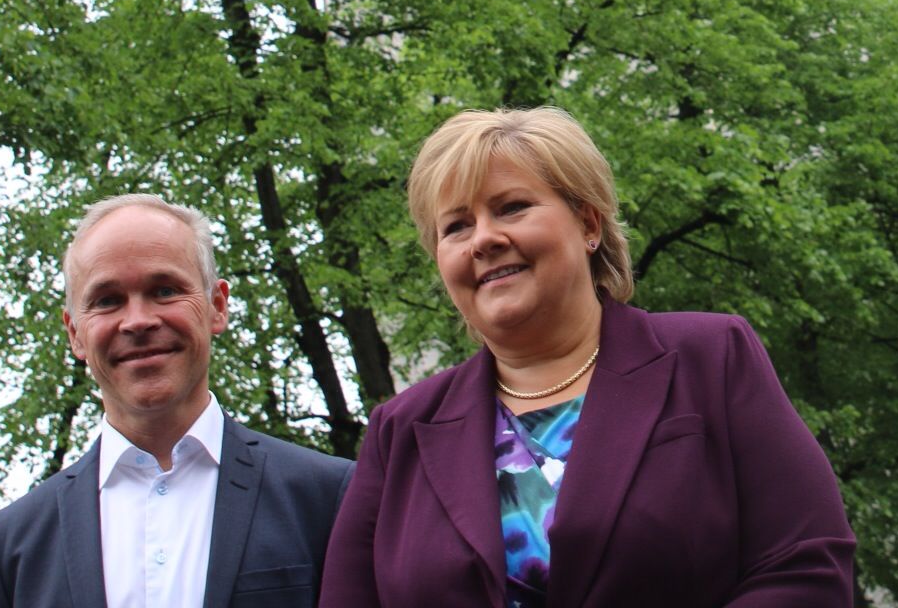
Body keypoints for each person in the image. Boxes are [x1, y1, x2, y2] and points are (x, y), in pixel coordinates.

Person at [321, 107, 855, 607]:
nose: (483, 238)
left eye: (511, 207)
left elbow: (806, 565)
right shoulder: (400, 430)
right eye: (457, 226)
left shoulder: (711, 358)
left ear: (589, 225)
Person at [0, 195, 355, 608]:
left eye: (165, 290)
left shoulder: (327, 499)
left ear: (217, 307)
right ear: (74, 332)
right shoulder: (7, 550)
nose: (138, 321)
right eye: (107, 300)